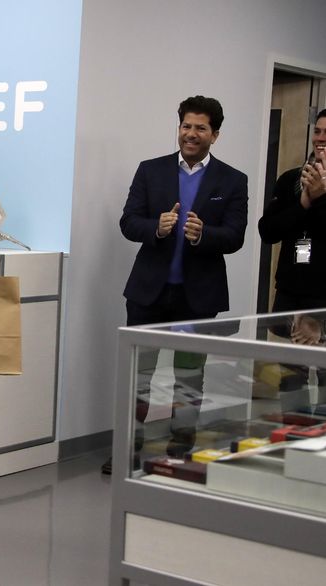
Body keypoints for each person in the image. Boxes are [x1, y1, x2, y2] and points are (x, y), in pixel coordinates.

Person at [103, 96, 248, 475]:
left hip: (196, 299)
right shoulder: (150, 171)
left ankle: (180, 450)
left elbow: (235, 236)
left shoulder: (233, 180)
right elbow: (128, 221)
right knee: (139, 376)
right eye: (186, 126)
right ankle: (127, 449)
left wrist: (204, 234)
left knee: (189, 378)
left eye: (200, 128)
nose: (191, 134)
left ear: (215, 134)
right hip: (148, 294)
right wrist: (156, 226)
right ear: (179, 127)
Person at [259, 109, 326, 409]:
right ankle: (292, 434)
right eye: (318, 131)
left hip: (324, 299)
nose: (320, 139)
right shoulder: (291, 179)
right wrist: (303, 202)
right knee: (289, 383)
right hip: (290, 293)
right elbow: (268, 231)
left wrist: (321, 198)